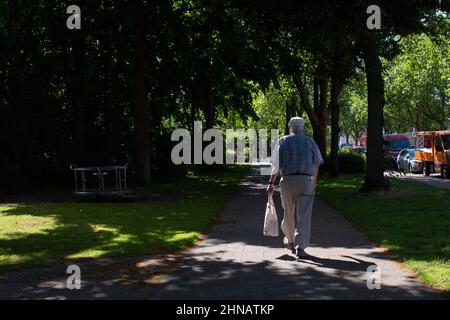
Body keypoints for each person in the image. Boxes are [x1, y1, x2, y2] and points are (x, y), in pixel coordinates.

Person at [267, 117, 324, 258]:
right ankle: (301, 247)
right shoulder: (310, 141)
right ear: (303, 128)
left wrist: (271, 183)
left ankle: (291, 241)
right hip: (305, 180)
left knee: (288, 212)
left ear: (290, 127)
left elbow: (276, 165)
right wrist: (313, 183)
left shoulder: (282, 141)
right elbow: (316, 164)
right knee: (304, 216)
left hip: (287, 181)